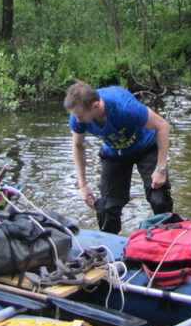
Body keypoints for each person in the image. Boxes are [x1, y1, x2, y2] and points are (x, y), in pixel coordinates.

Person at [65, 81, 174, 234]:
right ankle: (110, 243)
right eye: (74, 115)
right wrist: (82, 185)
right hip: (115, 153)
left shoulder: (124, 107)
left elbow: (163, 125)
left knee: (159, 199)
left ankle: (167, 237)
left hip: (146, 146)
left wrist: (161, 168)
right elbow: (78, 146)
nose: (77, 120)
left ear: (96, 106)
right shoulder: (78, 116)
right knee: (107, 209)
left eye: (80, 116)